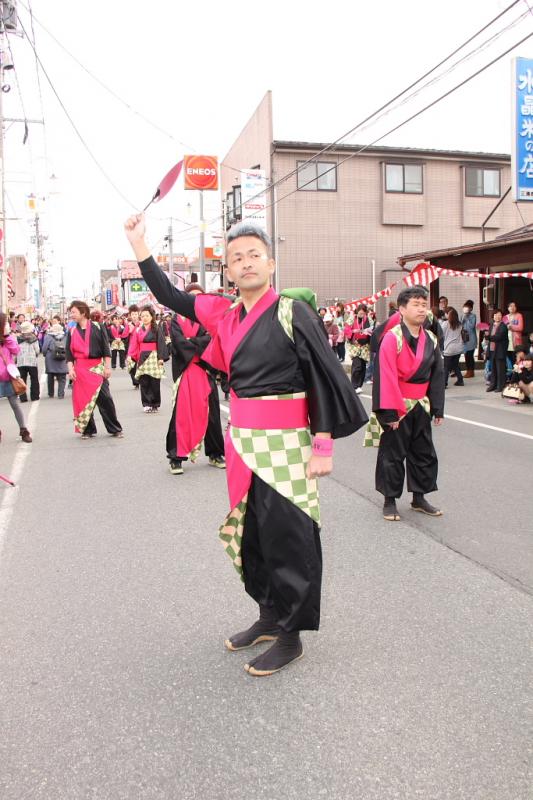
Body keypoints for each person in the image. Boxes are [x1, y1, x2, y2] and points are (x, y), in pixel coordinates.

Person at [124, 214, 367, 678]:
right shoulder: (222, 313)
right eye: (236, 258)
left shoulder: (293, 313)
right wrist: (140, 246)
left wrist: (323, 443)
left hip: (287, 442)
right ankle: (270, 614)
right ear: (228, 273)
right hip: (242, 440)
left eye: (254, 254)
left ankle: (292, 635)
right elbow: (170, 296)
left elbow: (322, 375)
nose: (245, 262)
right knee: (252, 530)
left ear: (271, 264)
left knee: (290, 534)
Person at [367, 285, 445, 521]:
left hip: (421, 404)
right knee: (392, 454)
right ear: (401, 309)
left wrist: (438, 407)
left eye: (424, 304)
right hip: (398, 405)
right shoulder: (392, 338)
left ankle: (419, 497)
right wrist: (388, 413)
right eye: (416, 304)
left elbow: (438, 373)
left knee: (423, 452)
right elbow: (386, 376)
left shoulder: (431, 338)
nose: (422, 310)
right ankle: (389, 500)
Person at [166, 282, 225, 475]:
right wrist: (197, 342)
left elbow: (212, 340)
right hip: (186, 371)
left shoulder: (209, 318)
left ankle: (215, 453)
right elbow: (178, 343)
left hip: (204, 370)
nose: (195, 300)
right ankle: (176, 457)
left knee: (212, 415)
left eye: (200, 296)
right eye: (192, 296)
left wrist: (192, 341)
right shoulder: (176, 319)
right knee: (182, 415)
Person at [65, 300, 123, 439]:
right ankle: (87, 429)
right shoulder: (72, 330)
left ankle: (114, 428)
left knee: (105, 399)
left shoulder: (98, 326)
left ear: (83, 312)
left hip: (97, 366)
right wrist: (70, 369)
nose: (71, 315)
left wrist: (107, 367)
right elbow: (68, 353)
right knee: (83, 401)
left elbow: (105, 349)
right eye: (70, 312)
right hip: (80, 369)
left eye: (74, 312)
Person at [127, 305, 168, 412]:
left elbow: (161, 343)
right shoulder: (138, 330)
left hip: (154, 356)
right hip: (142, 356)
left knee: (155, 381)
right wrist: (131, 356)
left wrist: (161, 357)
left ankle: (155, 403)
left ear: (151, 317)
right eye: (143, 316)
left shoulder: (156, 328)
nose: (144, 318)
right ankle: (146, 403)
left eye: (147, 315)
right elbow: (134, 344)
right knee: (144, 381)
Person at [0, 312, 32, 443]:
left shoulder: (9, 338)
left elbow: (16, 350)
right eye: (6, 322)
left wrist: (7, 336)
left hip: (9, 377)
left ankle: (24, 430)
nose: (8, 324)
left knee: (15, 404)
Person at [345, 304, 373, 394]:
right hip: (355, 345)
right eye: (360, 311)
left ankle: (359, 385)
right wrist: (352, 337)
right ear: (357, 311)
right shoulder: (352, 318)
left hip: (365, 346)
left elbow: (373, 329)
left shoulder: (369, 319)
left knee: (363, 367)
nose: (361, 312)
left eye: (363, 311)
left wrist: (369, 332)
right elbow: (347, 329)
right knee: (357, 365)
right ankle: (354, 385)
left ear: (365, 312)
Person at [42, 321, 68, 398]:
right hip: (62, 358)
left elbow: (44, 349)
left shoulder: (48, 337)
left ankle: (51, 393)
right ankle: (61, 394)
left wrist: (45, 354)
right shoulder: (65, 337)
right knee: (62, 377)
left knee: (50, 377)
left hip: (51, 358)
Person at [17, 321, 41, 402]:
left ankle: (23, 397)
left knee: (22, 380)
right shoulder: (34, 338)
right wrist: (35, 355)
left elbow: (15, 350)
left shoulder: (18, 339)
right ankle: (35, 396)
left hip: (21, 362)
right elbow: (37, 350)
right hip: (32, 361)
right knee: (34, 379)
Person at [441, 307, 464, 388]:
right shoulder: (459, 324)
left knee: (446, 367)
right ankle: (460, 380)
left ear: (448, 315)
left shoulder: (445, 324)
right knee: (455, 365)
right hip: (458, 348)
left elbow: (441, 334)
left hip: (449, 348)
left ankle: (444, 383)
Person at [486, 309, 508, 393]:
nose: (497, 316)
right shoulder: (491, 325)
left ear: (501, 316)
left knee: (500, 369)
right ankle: (493, 385)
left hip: (500, 350)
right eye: (495, 315)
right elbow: (489, 338)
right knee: (493, 369)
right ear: (493, 316)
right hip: (492, 349)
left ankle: (500, 386)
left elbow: (498, 337)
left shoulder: (503, 326)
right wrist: (487, 336)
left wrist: (488, 337)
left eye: (499, 315)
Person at [461, 300, 477, 378]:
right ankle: (468, 371)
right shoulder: (462, 315)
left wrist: (467, 317)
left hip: (471, 338)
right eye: (464, 307)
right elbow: (460, 325)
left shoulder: (473, 316)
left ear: (471, 309)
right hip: (464, 338)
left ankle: (471, 371)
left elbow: (471, 326)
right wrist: (463, 318)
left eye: (467, 307)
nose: (465, 309)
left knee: (470, 355)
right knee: (466, 355)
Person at [126, 304, 141, 388]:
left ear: (138, 314)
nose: (134, 316)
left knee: (139, 365)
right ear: (130, 315)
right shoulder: (128, 325)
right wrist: (129, 331)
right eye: (133, 314)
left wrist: (134, 329)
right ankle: (135, 381)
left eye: (136, 314)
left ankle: (139, 380)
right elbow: (123, 336)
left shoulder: (141, 323)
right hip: (130, 348)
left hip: (139, 347)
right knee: (132, 366)